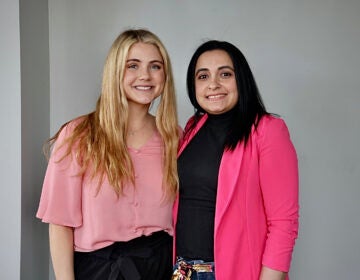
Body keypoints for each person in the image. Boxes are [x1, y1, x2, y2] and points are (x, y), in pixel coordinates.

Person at [36, 28, 179, 280]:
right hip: (98, 271)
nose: (145, 75)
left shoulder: (174, 137)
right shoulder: (79, 135)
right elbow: (59, 224)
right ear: (115, 72)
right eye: (132, 65)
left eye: (155, 66)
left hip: (161, 269)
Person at [172, 40, 299, 280]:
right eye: (203, 76)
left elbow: (284, 223)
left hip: (231, 273)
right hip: (182, 271)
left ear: (241, 79)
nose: (213, 84)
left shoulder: (268, 131)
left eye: (225, 74)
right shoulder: (192, 128)